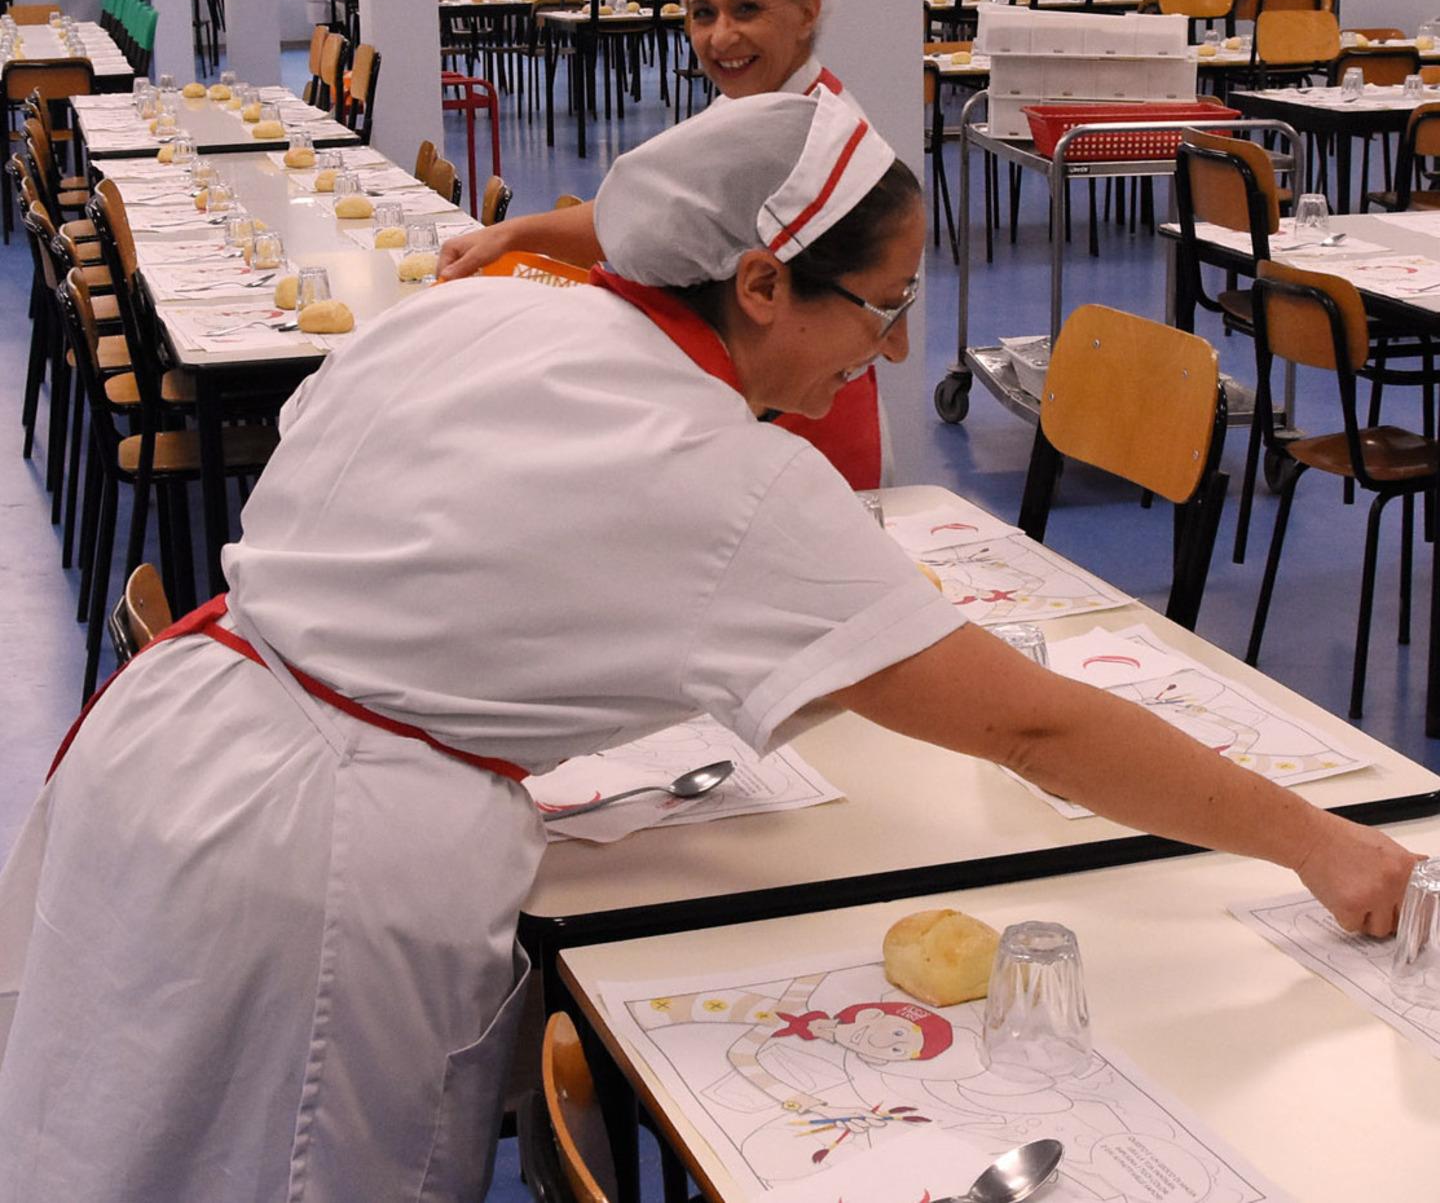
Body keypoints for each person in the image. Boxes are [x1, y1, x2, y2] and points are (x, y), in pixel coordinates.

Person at [0, 92, 1417, 1203]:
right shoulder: (725, 477)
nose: (886, 345)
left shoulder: (487, 310)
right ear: (756, 283)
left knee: (117, 1141)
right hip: (310, 861)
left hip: (178, 748)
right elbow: (1031, 728)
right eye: (879, 306)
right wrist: (1316, 840)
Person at [436, 0, 889, 489]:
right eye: (702, 14)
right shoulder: (752, 109)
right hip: (741, 418)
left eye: (746, 9)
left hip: (799, 434)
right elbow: (651, 218)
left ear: (808, 12)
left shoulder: (814, 137)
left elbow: (651, 236)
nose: (721, 36)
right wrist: (511, 234)